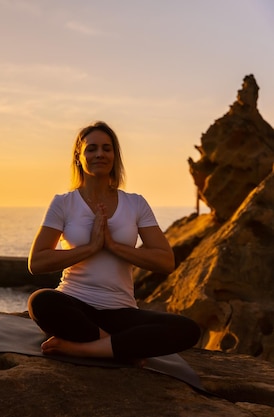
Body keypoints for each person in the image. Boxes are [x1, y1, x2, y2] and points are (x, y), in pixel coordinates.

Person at [27, 121, 200, 362]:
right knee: (41, 301)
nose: (99, 154)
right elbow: (36, 262)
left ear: (114, 156)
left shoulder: (135, 203)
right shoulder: (64, 203)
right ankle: (117, 348)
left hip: (121, 311)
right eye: (91, 148)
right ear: (79, 156)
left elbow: (165, 261)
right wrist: (92, 248)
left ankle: (83, 349)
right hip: (74, 303)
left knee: (188, 329)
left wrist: (114, 246)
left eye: (106, 149)